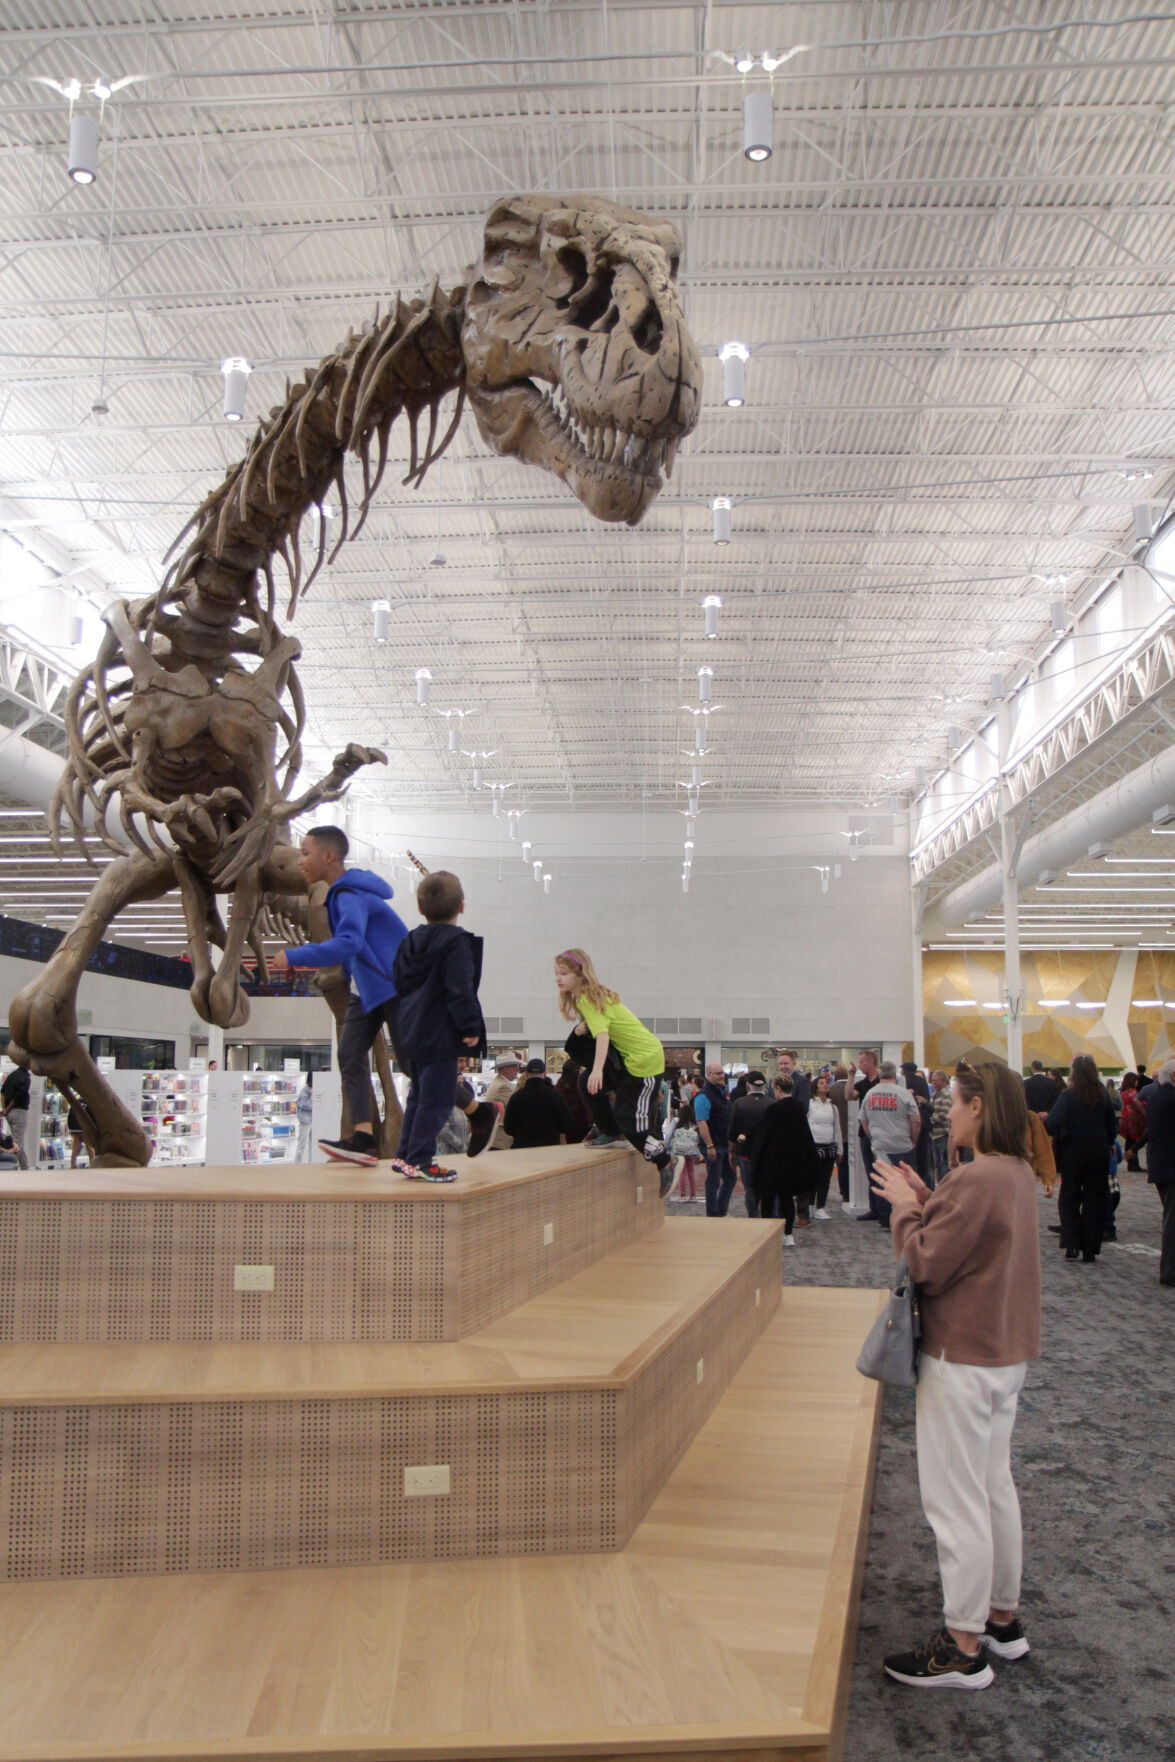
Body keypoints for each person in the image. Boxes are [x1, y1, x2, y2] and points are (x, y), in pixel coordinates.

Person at [869, 1061, 1041, 1691]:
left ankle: (964, 1646)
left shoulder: (977, 1179)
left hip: (962, 1357)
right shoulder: (1014, 1173)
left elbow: (927, 1263)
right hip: (1005, 1353)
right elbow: (971, 1233)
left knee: (955, 1500)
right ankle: (999, 1619)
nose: (948, 1110)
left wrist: (906, 1210)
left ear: (979, 1109)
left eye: (955, 1101)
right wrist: (928, 1195)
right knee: (993, 1486)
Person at [273, 825, 409, 1167]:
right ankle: (363, 1138)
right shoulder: (341, 893)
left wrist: (295, 956)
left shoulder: (350, 895)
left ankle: (475, 1109)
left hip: (394, 986)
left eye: (305, 852)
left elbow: (350, 942)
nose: (300, 860)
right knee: (349, 1052)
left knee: (413, 1064)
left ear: (329, 856)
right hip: (366, 989)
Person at [389, 869, 488, 1182]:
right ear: (462, 906)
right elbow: (460, 988)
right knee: (439, 1099)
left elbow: (399, 983)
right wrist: (470, 1026)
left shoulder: (409, 941)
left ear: (420, 909)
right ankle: (419, 1159)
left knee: (419, 1096)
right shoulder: (456, 943)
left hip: (411, 1031)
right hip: (441, 1034)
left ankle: (405, 1155)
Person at [552, 948, 673, 1190]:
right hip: (628, 1059)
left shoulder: (587, 997)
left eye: (564, 973)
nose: (558, 978)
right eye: (556, 973)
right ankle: (610, 1130)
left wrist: (598, 1069)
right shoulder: (585, 998)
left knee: (631, 1120)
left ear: (579, 974)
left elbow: (603, 1036)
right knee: (588, 1085)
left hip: (643, 1060)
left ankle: (665, 1161)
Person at [1045, 1054, 1118, 1262]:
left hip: (1073, 1150)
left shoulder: (1068, 1096)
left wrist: (1045, 1120)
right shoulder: (1102, 1095)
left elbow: (1053, 1123)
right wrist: (1109, 1140)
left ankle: (1071, 1244)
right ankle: (1090, 1248)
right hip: (1098, 1149)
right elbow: (1112, 1125)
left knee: (1070, 1196)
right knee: (1095, 1198)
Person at [746, 1075, 818, 1248]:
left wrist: (746, 1140)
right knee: (786, 1198)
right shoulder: (799, 1107)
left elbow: (761, 1133)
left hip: (772, 1161)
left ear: (777, 1087)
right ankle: (788, 1234)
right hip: (792, 1161)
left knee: (768, 1198)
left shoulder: (774, 1109)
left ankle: (767, 1234)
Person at [858, 1061, 920, 1227]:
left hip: (880, 1145)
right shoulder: (904, 1093)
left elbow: (863, 1120)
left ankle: (885, 1217)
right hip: (902, 1144)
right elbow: (916, 1120)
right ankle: (906, 1214)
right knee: (906, 1180)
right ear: (895, 1075)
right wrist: (913, 1140)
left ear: (880, 1073)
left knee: (882, 1180)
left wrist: (872, 1137)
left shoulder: (871, 1093)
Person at [1142, 1058, 1175, 1287]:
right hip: (1171, 1167)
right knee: (1172, 1223)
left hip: (1161, 1166)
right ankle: (1169, 1272)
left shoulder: (1155, 1098)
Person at [503, 1058, 574, 1149]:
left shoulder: (516, 1097)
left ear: (527, 1075)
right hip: (549, 1149)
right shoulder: (555, 1096)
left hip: (522, 1150)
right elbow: (567, 1125)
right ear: (545, 1074)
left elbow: (508, 1129)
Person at [728, 1070, 771, 1217]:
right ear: (764, 1086)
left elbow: (733, 1131)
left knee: (750, 1189)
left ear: (748, 1086)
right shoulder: (772, 1103)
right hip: (767, 1154)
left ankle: (753, 1218)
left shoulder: (739, 1103)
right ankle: (769, 1220)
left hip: (745, 1153)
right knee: (768, 1189)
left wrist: (732, 1152)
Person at [695, 1061, 735, 1215]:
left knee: (730, 1180)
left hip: (725, 1144)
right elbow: (701, 1122)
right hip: (713, 1146)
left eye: (722, 1073)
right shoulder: (703, 1096)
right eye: (718, 1073)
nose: (721, 1076)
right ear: (709, 1075)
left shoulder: (722, 1093)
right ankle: (712, 1214)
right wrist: (710, 1146)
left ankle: (720, 1212)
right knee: (713, 1181)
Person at [806, 1072, 843, 1217]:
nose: (825, 1084)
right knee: (811, 1177)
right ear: (815, 1087)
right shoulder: (809, 1104)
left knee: (825, 1178)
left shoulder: (833, 1107)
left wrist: (839, 1149)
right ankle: (809, 1205)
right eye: (821, 1083)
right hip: (813, 1146)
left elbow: (837, 1129)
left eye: (825, 1083)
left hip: (829, 1146)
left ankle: (821, 1206)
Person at [666, 1099, 703, 1201]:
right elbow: (698, 1139)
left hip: (679, 1150)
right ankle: (693, 1195)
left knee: (682, 1172)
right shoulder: (694, 1124)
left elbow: (669, 1135)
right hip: (692, 1150)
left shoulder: (676, 1121)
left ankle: (683, 1195)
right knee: (691, 1171)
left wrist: (667, 1147)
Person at [484, 1054, 521, 1149]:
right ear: (505, 1069)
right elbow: (516, 1106)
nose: (517, 1070)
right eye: (515, 1067)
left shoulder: (498, 1082)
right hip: (500, 1139)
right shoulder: (503, 1086)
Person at [828, 1062, 852, 1201]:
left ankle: (844, 1193)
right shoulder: (853, 1089)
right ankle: (853, 1191)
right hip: (853, 1132)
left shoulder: (831, 1090)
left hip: (838, 1133)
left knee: (842, 1165)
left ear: (835, 1077)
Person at [1, 1063, 32, 1170]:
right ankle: (10, 1168)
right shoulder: (25, 1078)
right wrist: (8, 1108)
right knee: (18, 1142)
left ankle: (25, 1167)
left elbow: (3, 1092)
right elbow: (19, 1096)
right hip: (19, 1112)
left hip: (9, 1114)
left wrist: (4, 1108)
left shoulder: (12, 1075)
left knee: (19, 1141)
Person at [555, 1058, 591, 1143]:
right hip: (575, 1137)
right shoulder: (577, 1092)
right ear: (575, 1071)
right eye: (582, 1070)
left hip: (568, 1137)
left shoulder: (557, 1090)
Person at [1119, 1070, 1146, 1172]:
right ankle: (1134, 1164)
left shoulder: (1124, 1092)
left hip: (1125, 1118)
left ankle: (1131, 1163)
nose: (1137, 1083)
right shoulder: (1133, 1093)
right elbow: (1139, 1104)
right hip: (1133, 1120)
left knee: (1129, 1141)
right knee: (1134, 1141)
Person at [295, 1071, 313, 1162]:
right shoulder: (305, 1090)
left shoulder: (314, 1089)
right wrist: (315, 1106)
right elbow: (304, 1104)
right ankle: (297, 1164)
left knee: (311, 1144)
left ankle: (311, 1163)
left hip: (312, 1120)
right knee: (302, 1144)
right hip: (305, 1120)